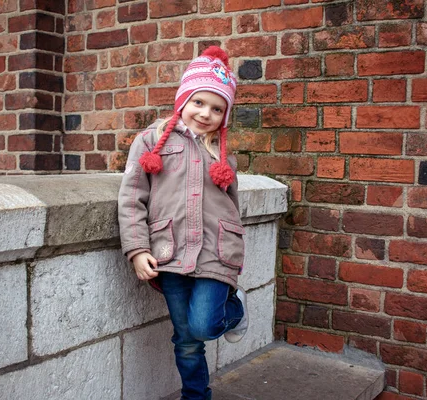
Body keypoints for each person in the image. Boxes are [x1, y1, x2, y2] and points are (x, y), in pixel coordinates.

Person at [117, 46, 248, 400]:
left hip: (213, 255)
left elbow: (232, 207)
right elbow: (132, 197)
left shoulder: (221, 156)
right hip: (168, 254)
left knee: (205, 325)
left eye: (217, 108)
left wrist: (233, 251)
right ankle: (196, 396)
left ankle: (233, 308)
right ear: (183, 99)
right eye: (199, 103)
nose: (206, 114)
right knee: (187, 338)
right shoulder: (150, 142)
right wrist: (137, 249)